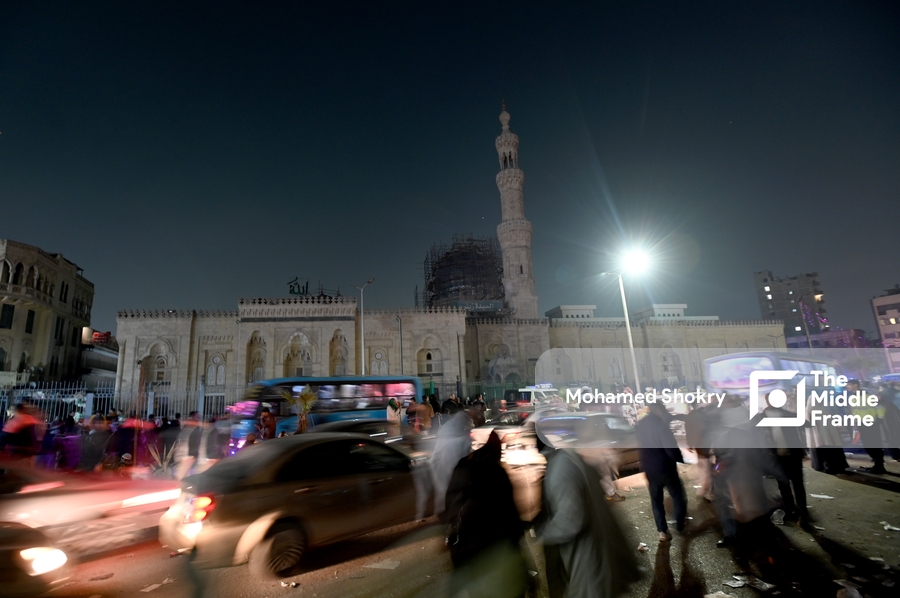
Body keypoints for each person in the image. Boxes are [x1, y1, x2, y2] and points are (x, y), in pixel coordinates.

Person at [536, 430, 641, 598]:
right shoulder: (573, 459)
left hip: (589, 566)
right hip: (603, 560)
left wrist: (542, 534)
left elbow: (570, 521)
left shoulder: (560, 468)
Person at [443, 432, 528, 598]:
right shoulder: (496, 473)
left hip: (463, 547)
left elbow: (450, 504)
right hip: (490, 549)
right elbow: (509, 514)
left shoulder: (462, 465)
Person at [635, 403, 687, 541]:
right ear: (658, 410)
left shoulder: (641, 424)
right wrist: (680, 458)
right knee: (678, 496)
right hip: (665, 468)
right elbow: (670, 448)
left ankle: (662, 531)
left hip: (649, 468)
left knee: (656, 500)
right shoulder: (661, 425)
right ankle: (680, 524)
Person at [430, 412, 472, 515]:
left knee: (443, 495)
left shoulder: (443, 437)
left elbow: (434, 458)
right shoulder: (463, 438)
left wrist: (436, 472)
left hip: (442, 471)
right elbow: (467, 457)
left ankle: (443, 517)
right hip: (456, 473)